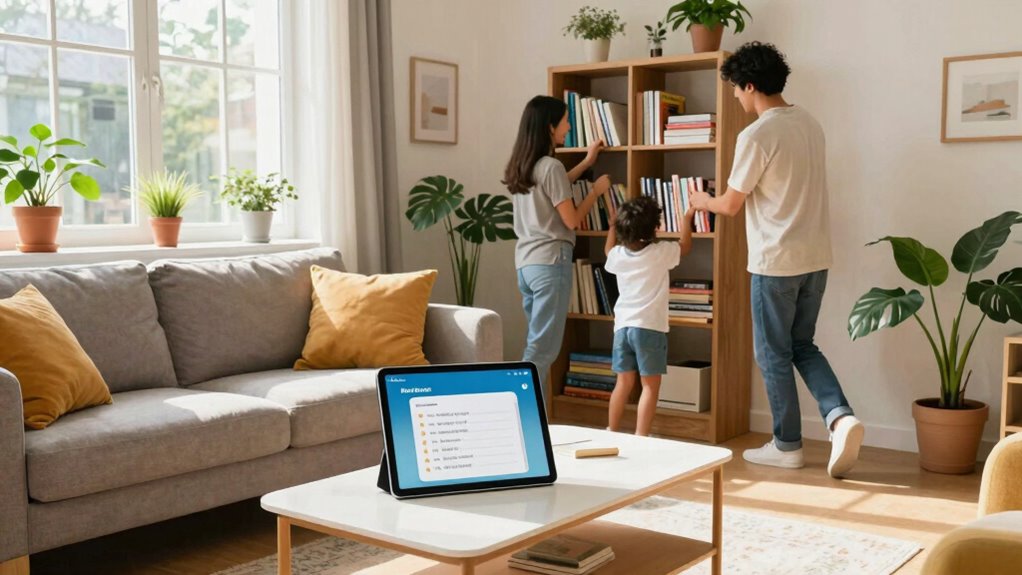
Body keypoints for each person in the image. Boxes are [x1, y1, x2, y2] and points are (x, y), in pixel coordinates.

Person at [688, 42, 864, 478]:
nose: (734, 96)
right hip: (815, 257)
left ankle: (787, 444)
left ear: (751, 85)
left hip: (775, 262)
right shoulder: (809, 123)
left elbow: (730, 205)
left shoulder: (757, 135)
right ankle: (840, 416)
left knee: (772, 354)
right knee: (802, 345)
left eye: (734, 88)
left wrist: (699, 200)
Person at [503, 95, 608, 388]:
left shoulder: (524, 166)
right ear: (550, 127)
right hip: (551, 263)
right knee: (542, 350)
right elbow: (572, 220)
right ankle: (524, 415)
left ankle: (526, 413)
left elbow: (554, 189)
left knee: (536, 342)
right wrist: (595, 192)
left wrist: (587, 162)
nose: (569, 126)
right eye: (564, 121)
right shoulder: (551, 166)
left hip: (526, 265)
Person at [603, 196, 694, 436]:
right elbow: (684, 246)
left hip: (622, 328)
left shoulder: (618, 255)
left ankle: (611, 429)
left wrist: (611, 226)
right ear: (654, 227)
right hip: (650, 328)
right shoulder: (661, 251)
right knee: (650, 387)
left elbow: (607, 250)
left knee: (622, 383)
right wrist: (686, 218)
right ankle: (641, 437)